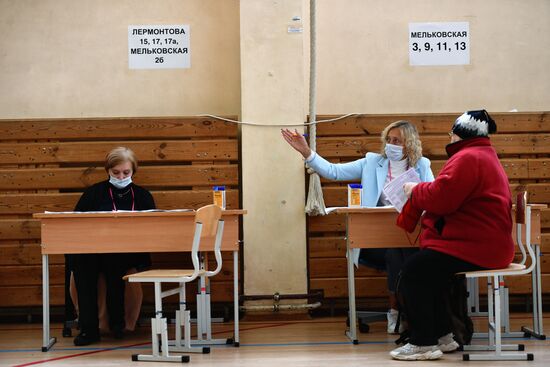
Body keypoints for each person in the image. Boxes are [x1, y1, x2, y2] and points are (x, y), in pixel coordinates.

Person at [281, 120, 434, 333]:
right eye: (388, 140)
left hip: (410, 236)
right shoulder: (372, 162)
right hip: (376, 241)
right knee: (394, 254)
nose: (390, 144)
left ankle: (412, 311)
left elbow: (432, 198)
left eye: (396, 141)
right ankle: (396, 312)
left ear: (409, 144)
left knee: (405, 252)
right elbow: (334, 171)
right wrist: (307, 153)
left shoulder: (422, 165)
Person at [390, 110, 514, 361]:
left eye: (452, 133)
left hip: (478, 245)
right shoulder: (481, 154)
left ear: (459, 134)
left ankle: (423, 342)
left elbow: (441, 198)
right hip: (484, 243)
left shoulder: (468, 157)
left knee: (414, 271)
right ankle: (443, 335)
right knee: (429, 273)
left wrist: (415, 190)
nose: (451, 137)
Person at [69, 147, 156, 346]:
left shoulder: (142, 195)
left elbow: (152, 228)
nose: (121, 176)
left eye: (126, 173)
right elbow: (75, 223)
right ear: (108, 170)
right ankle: (89, 329)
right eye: (115, 173)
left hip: (127, 251)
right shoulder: (93, 193)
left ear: (133, 171)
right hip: (93, 250)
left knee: (115, 264)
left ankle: (118, 324)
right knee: (81, 264)